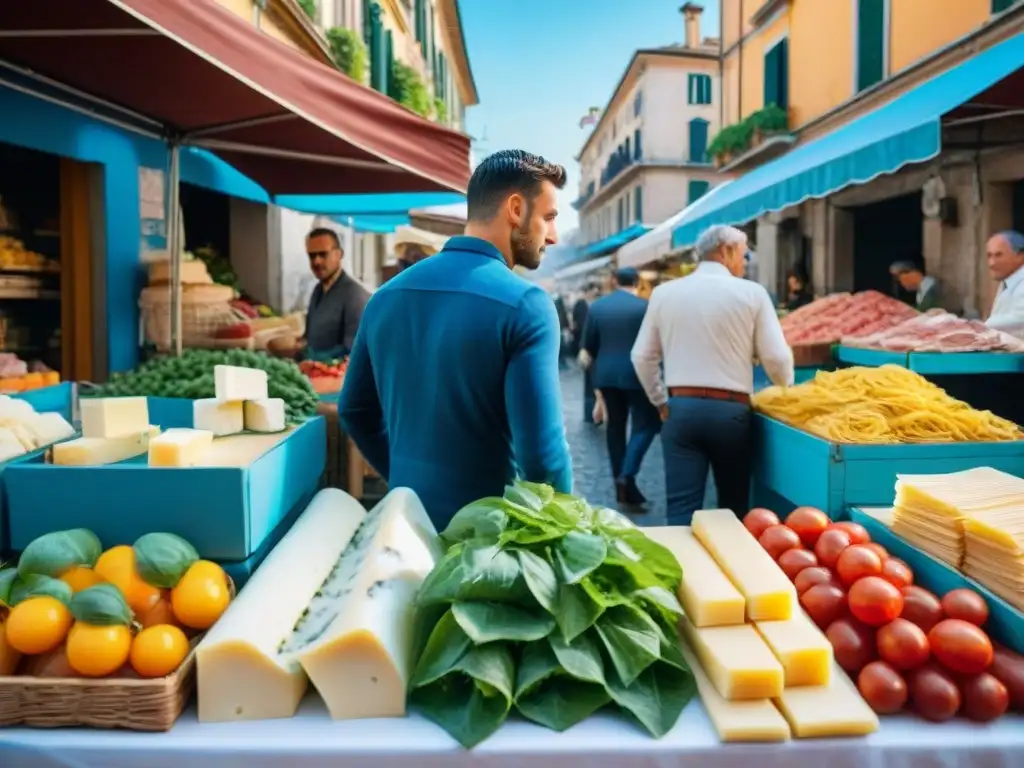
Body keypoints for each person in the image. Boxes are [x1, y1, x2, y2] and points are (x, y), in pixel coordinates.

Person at [337, 149, 573, 528]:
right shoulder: (527, 305)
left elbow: (354, 410)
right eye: (548, 217)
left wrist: (407, 482)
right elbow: (543, 460)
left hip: (405, 528)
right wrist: (567, 532)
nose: (555, 236)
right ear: (516, 209)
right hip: (484, 545)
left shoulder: (384, 297)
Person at [631, 225, 794, 525]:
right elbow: (776, 357)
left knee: (681, 509)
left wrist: (660, 401)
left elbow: (642, 356)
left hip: (680, 409)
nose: (745, 262)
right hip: (731, 413)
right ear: (726, 250)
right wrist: (786, 387)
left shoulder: (664, 293)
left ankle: (681, 570)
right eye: (743, 254)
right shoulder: (752, 293)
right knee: (732, 509)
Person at [582, 267, 660, 505]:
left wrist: (595, 389)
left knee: (615, 428)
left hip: (605, 376)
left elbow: (588, 348)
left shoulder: (597, 307)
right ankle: (627, 476)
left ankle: (620, 482)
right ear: (638, 282)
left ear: (614, 281)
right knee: (647, 423)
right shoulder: (645, 307)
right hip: (637, 375)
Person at [301, 227, 370, 359]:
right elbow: (309, 336)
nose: (317, 261)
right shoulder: (317, 290)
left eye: (323, 254)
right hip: (314, 374)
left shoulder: (354, 295)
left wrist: (314, 357)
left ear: (339, 254)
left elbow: (353, 349)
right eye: (312, 255)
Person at [984, 230, 1024, 338]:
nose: (992, 263)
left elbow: (1019, 320)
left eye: (999, 255)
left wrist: (972, 327)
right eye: (989, 255)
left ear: (1020, 256)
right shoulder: (1007, 281)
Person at [572, 283, 599, 422]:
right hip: (587, 347)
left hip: (589, 346)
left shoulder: (591, 304)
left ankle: (594, 413)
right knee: (590, 382)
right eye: (594, 290)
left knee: (592, 382)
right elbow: (580, 325)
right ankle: (590, 414)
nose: (595, 293)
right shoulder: (581, 304)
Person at [889, 260, 957, 313]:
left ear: (911, 273)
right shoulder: (920, 291)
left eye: (899, 279)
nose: (902, 284)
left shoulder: (932, 286)